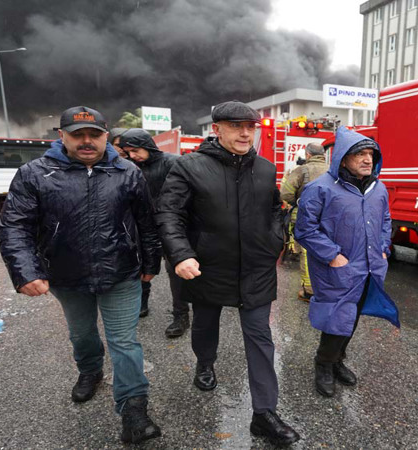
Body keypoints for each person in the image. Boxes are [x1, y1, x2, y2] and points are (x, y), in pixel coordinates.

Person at [0, 106, 163, 444]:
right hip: (66, 276)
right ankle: (89, 370)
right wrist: (25, 271)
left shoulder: (128, 172)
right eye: (77, 134)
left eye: (94, 134)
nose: (87, 141)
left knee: (124, 341)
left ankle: (133, 407)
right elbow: (14, 226)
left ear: (106, 136)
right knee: (82, 334)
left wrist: (150, 265)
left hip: (121, 273)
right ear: (62, 136)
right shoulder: (34, 173)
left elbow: (147, 223)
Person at [154, 101, 300, 446]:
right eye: (236, 126)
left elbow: (274, 209)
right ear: (216, 129)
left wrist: (274, 238)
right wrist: (181, 254)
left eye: (251, 126)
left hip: (255, 269)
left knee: (260, 338)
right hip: (206, 267)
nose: (246, 132)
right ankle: (205, 363)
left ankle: (264, 413)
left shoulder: (265, 168)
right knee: (205, 324)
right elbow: (169, 214)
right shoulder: (189, 167)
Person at [294, 127, 400, 398]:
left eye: (371, 154)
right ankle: (324, 364)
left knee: (351, 317)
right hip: (337, 269)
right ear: (343, 158)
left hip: (370, 267)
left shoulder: (379, 188)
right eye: (360, 154)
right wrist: (333, 256)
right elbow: (305, 229)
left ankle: (338, 360)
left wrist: (383, 248)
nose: (367, 159)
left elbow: (385, 220)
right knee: (335, 318)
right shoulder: (320, 189)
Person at [119, 128, 191, 336]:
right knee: (141, 266)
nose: (132, 156)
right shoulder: (131, 167)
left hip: (172, 226)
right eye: (127, 152)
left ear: (147, 144)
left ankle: (181, 316)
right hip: (143, 226)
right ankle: (141, 305)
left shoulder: (173, 162)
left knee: (175, 271)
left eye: (135, 150)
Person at [280, 142, 328, 301]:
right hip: (329, 218)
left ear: (308, 155)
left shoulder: (301, 171)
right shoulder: (333, 171)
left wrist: (298, 202)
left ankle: (309, 290)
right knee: (329, 250)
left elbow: (285, 194)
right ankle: (326, 287)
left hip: (306, 217)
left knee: (307, 252)